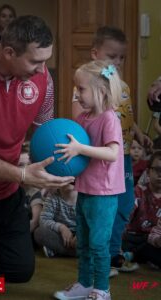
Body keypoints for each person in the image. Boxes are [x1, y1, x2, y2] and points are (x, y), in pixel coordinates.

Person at [0, 15, 74, 292]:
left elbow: (44, 137)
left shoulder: (42, 77)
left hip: (8, 194)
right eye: (35, 62)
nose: (42, 70)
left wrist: (56, 171)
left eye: (45, 60)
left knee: (19, 272)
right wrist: (24, 174)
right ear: (9, 52)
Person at [72, 26, 151, 276]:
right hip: (101, 158)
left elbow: (124, 118)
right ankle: (105, 256)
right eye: (111, 56)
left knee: (126, 203)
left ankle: (112, 253)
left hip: (123, 155)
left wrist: (139, 134)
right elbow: (82, 121)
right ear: (95, 54)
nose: (117, 62)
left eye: (121, 57)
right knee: (102, 207)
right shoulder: (85, 88)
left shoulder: (121, 86)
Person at [54, 60, 125, 300]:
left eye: (81, 89)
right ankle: (84, 283)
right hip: (85, 189)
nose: (76, 94)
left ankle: (102, 289)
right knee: (82, 242)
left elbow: (113, 153)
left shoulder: (109, 118)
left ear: (101, 91)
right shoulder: (83, 119)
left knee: (98, 243)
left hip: (104, 193)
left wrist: (81, 148)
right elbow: (77, 152)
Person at [122, 151, 161, 269]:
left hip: (154, 242)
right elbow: (125, 218)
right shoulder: (138, 192)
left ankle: (137, 256)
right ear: (148, 172)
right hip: (132, 238)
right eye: (157, 169)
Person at [34, 184, 77, 258]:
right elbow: (43, 220)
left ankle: (60, 252)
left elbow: (92, 223)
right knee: (39, 232)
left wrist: (80, 235)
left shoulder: (86, 198)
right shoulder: (53, 197)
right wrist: (61, 228)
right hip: (61, 236)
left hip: (80, 236)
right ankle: (77, 253)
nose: (70, 181)